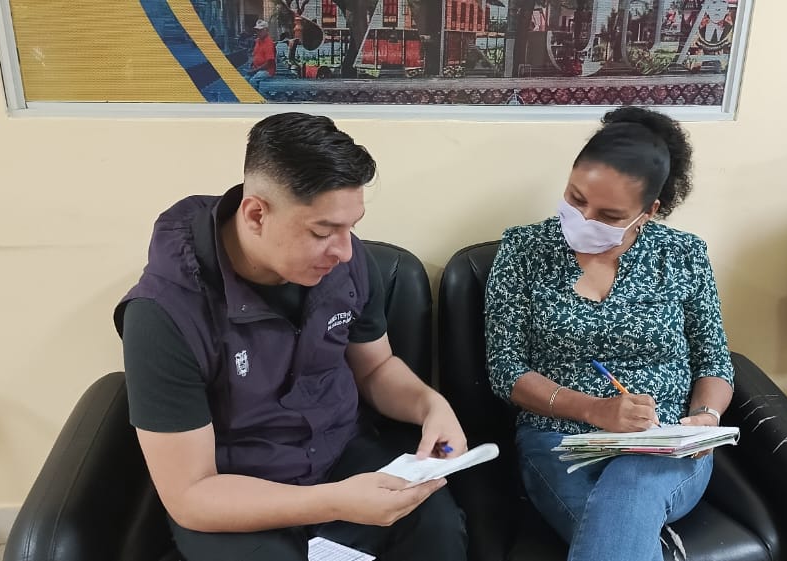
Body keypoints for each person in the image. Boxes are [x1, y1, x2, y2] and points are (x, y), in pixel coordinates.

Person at [116, 112, 468, 561]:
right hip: (237, 487)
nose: (345, 251)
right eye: (323, 231)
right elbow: (191, 494)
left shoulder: (347, 263)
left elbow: (375, 368)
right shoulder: (164, 314)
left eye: (351, 227)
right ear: (256, 214)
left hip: (340, 453)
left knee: (437, 528)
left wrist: (430, 405)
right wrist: (335, 501)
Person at [484, 106, 733, 561]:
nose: (583, 217)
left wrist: (705, 417)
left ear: (648, 212)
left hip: (661, 440)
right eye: (576, 198)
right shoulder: (523, 250)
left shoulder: (683, 255)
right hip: (558, 440)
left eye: (609, 215)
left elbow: (714, 360)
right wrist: (595, 410)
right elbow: (506, 370)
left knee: (629, 489)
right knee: (620, 530)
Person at [248, 19, 276, 89]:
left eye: (260, 30)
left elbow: (269, 63)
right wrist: (252, 65)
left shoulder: (269, 43)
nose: (258, 32)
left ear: (266, 30)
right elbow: (256, 55)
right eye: (257, 30)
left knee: (252, 81)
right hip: (257, 69)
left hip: (267, 71)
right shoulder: (258, 41)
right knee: (245, 79)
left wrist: (255, 70)